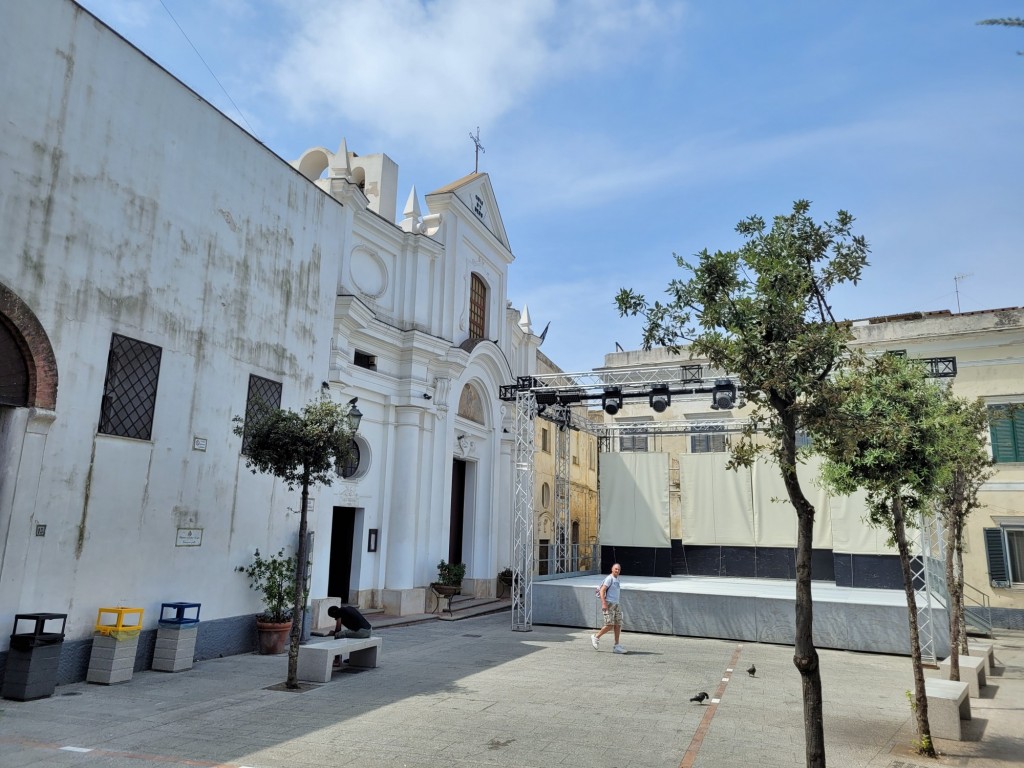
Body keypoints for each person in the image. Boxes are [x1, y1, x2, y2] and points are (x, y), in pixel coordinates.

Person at [591, 563, 626, 653]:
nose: (617, 571)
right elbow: (602, 591)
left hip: (616, 604)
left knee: (618, 625)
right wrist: (604, 603)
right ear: (612, 569)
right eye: (616, 569)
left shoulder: (617, 579)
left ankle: (616, 646)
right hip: (609, 604)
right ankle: (596, 637)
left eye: (619, 569)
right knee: (609, 624)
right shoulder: (609, 578)